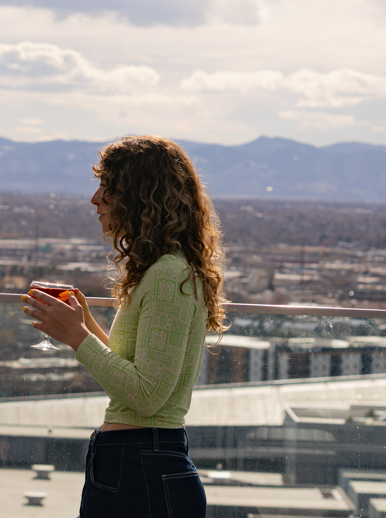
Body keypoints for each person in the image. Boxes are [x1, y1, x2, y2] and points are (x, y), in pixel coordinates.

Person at [22, 135, 228, 518]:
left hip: (142, 471)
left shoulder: (168, 275)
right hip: (137, 465)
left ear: (139, 197)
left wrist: (77, 336)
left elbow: (146, 395)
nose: (95, 199)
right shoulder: (164, 270)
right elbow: (133, 374)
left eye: (108, 188)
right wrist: (84, 324)